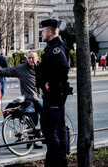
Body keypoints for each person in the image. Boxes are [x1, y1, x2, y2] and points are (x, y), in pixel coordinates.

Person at [40, 19, 72, 167]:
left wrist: (50, 83)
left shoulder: (56, 48)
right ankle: (57, 160)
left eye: (43, 31)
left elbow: (63, 66)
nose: (42, 34)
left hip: (54, 95)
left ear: (50, 32)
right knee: (55, 128)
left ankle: (58, 161)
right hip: (54, 95)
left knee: (52, 129)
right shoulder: (53, 47)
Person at [0, 51, 43, 149]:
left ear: (37, 59)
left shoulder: (41, 68)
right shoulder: (21, 69)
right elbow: (7, 71)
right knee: (45, 113)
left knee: (34, 121)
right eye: (29, 58)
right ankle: (44, 136)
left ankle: (31, 143)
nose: (30, 60)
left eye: (33, 58)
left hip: (41, 96)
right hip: (31, 98)